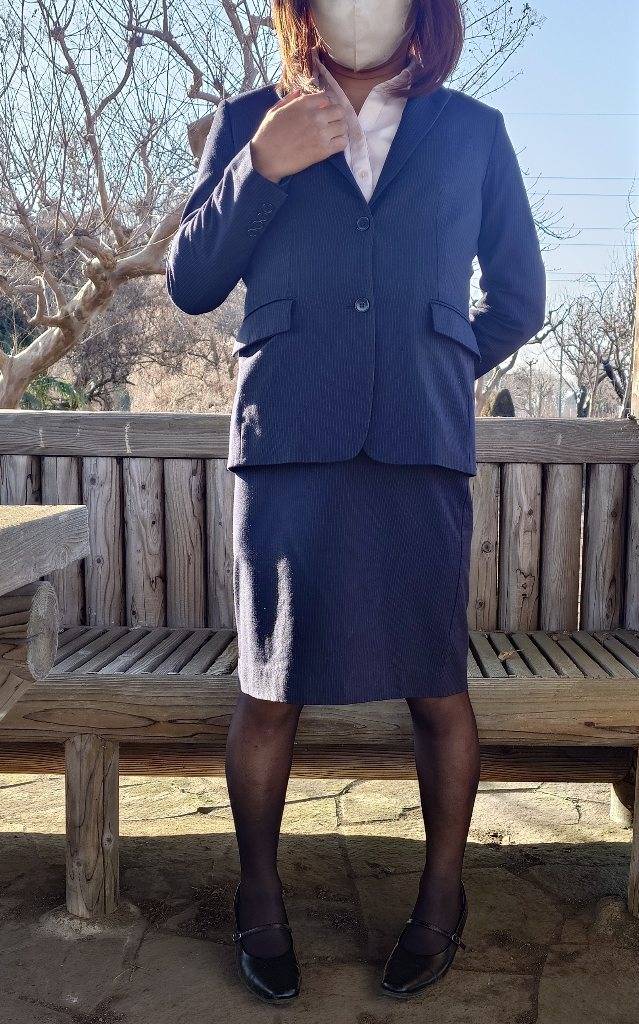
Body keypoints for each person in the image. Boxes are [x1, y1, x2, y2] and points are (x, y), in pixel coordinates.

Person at [166, 0, 545, 1003]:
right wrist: (260, 165)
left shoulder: (474, 133)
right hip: (289, 439)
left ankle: (442, 897)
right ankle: (258, 896)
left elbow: (519, 299)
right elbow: (192, 282)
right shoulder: (252, 118)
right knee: (268, 688)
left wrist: (436, 358)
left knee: (437, 688)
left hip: (418, 445)